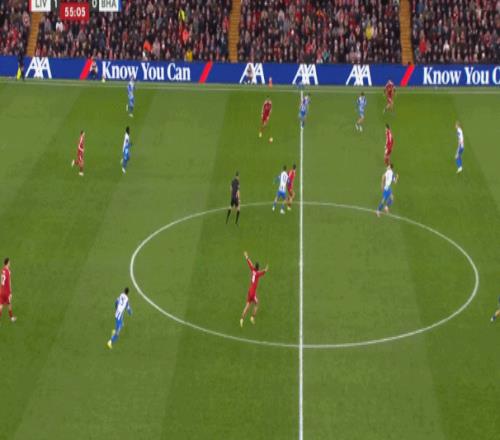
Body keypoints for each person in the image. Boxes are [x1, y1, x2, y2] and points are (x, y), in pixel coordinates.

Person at [240, 252, 268, 327]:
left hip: (250, 291)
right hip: (253, 293)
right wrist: (266, 269)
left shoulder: (252, 269)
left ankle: (242, 319)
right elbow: (263, 272)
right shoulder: (258, 274)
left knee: (247, 305)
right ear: (258, 268)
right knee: (256, 304)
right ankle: (252, 317)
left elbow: (249, 263)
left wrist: (246, 256)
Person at [0, 258, 16, 323]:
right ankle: (12, 318)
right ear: (7, 263)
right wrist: (10, 292)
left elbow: (1, 281)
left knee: (1, 305)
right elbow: (9, 282)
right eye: (9, 262)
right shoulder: (8, 271)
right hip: (7, 292)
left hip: (1, 290)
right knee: (9, 304)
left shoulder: (2, 270)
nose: (10, 263)